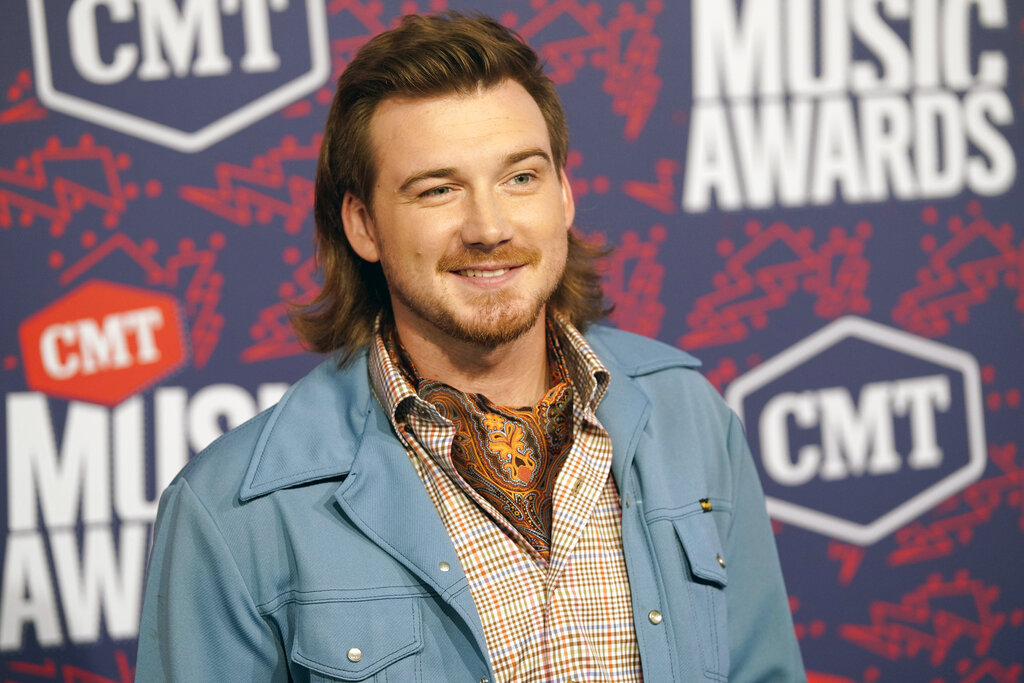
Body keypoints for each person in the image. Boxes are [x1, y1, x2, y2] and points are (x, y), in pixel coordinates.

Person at [136, 12, 806, 682]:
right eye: (438, 190)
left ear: (565, 195)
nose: (489, 226)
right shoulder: (234, 512)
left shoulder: (687, 413)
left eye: (521, 177)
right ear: (363, 225)